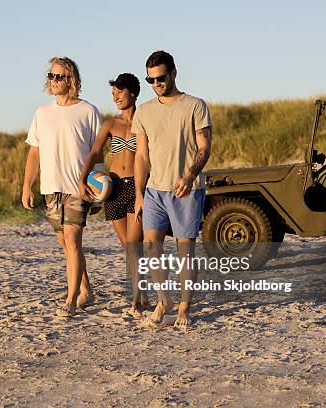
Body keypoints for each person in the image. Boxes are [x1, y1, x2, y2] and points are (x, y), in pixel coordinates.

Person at [132, 51, 212, 327]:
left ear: (174, 73)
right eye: (150, 80)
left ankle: (184, 308)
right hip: (154, 189)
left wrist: (190, 175)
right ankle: (163, 300)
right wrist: (138, 196)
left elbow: (204, 148)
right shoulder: (143, 111)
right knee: (151, 247)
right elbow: (141, 157)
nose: (157, 84)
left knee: (184, 251)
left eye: (161, 78)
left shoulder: (195, 106)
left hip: (186, 190)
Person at [22, 57, 102, 317]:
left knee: (72, 240)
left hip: (78, 187)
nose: (54, 81)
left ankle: (71, 299)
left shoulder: (88, 111)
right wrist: (27, 186)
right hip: (51, 187)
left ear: (72, 80)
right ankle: (86, 290)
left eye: (59, 76)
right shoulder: (41, 113)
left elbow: (97, 152)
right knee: (65, 243)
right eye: (51, 76)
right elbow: (34, 153)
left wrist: (100, 187)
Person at [79, 73, 150, 318]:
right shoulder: (110, 124)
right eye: (113, 94)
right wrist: (82, 179)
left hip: (137, 187)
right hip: (114, 188)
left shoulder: (145, 120)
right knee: (128, 247)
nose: (116, 97)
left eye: (120, 92)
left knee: (134, 246)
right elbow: (95, 152)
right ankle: (142, 294)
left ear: (133, 92)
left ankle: (138, 298)